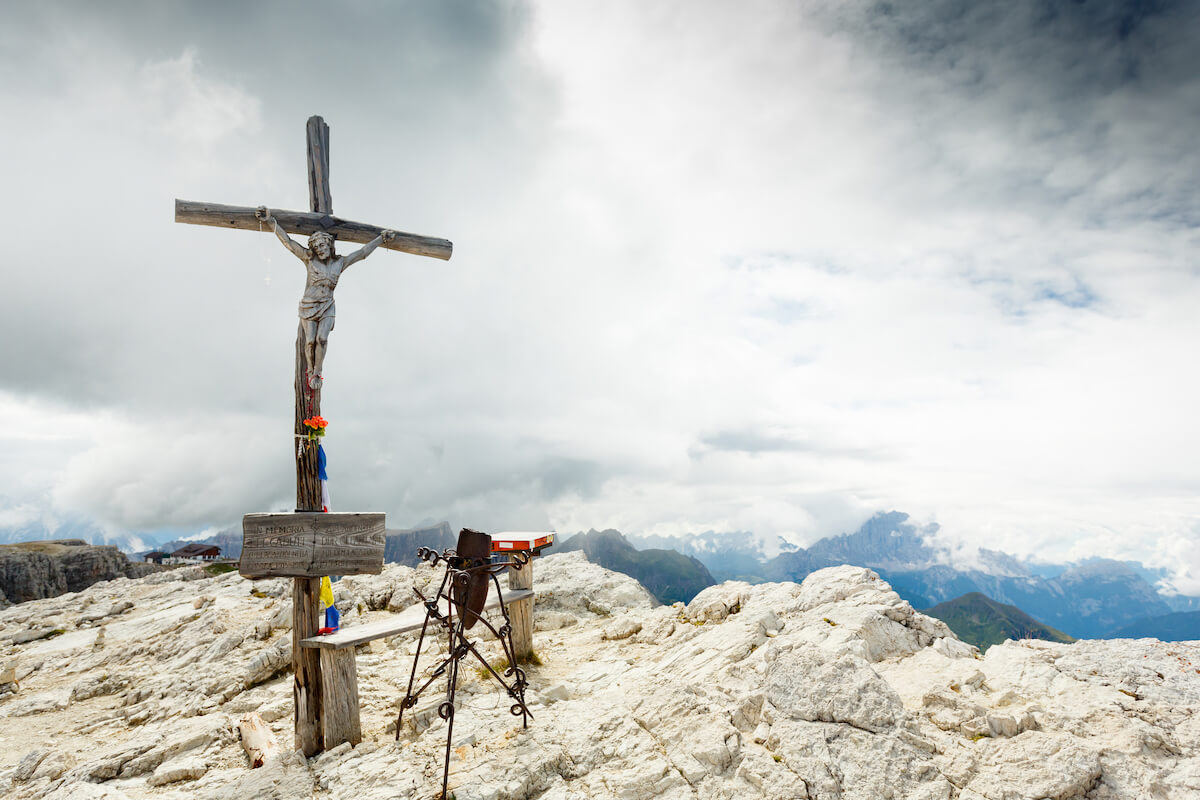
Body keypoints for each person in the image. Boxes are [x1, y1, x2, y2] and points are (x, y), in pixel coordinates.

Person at [255, 206, 396, 388]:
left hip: (328, 305)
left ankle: (317, 372)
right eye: (316, 247)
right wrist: (270, 221)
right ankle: (310, 370)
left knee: (322, 339)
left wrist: (381, 239)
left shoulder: (340, 263)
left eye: (322, 245)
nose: (319, 249)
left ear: (329, 245)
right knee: (310, 341)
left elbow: (362, 253)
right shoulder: (309, 259)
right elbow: (288, 242)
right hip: (309, 305)